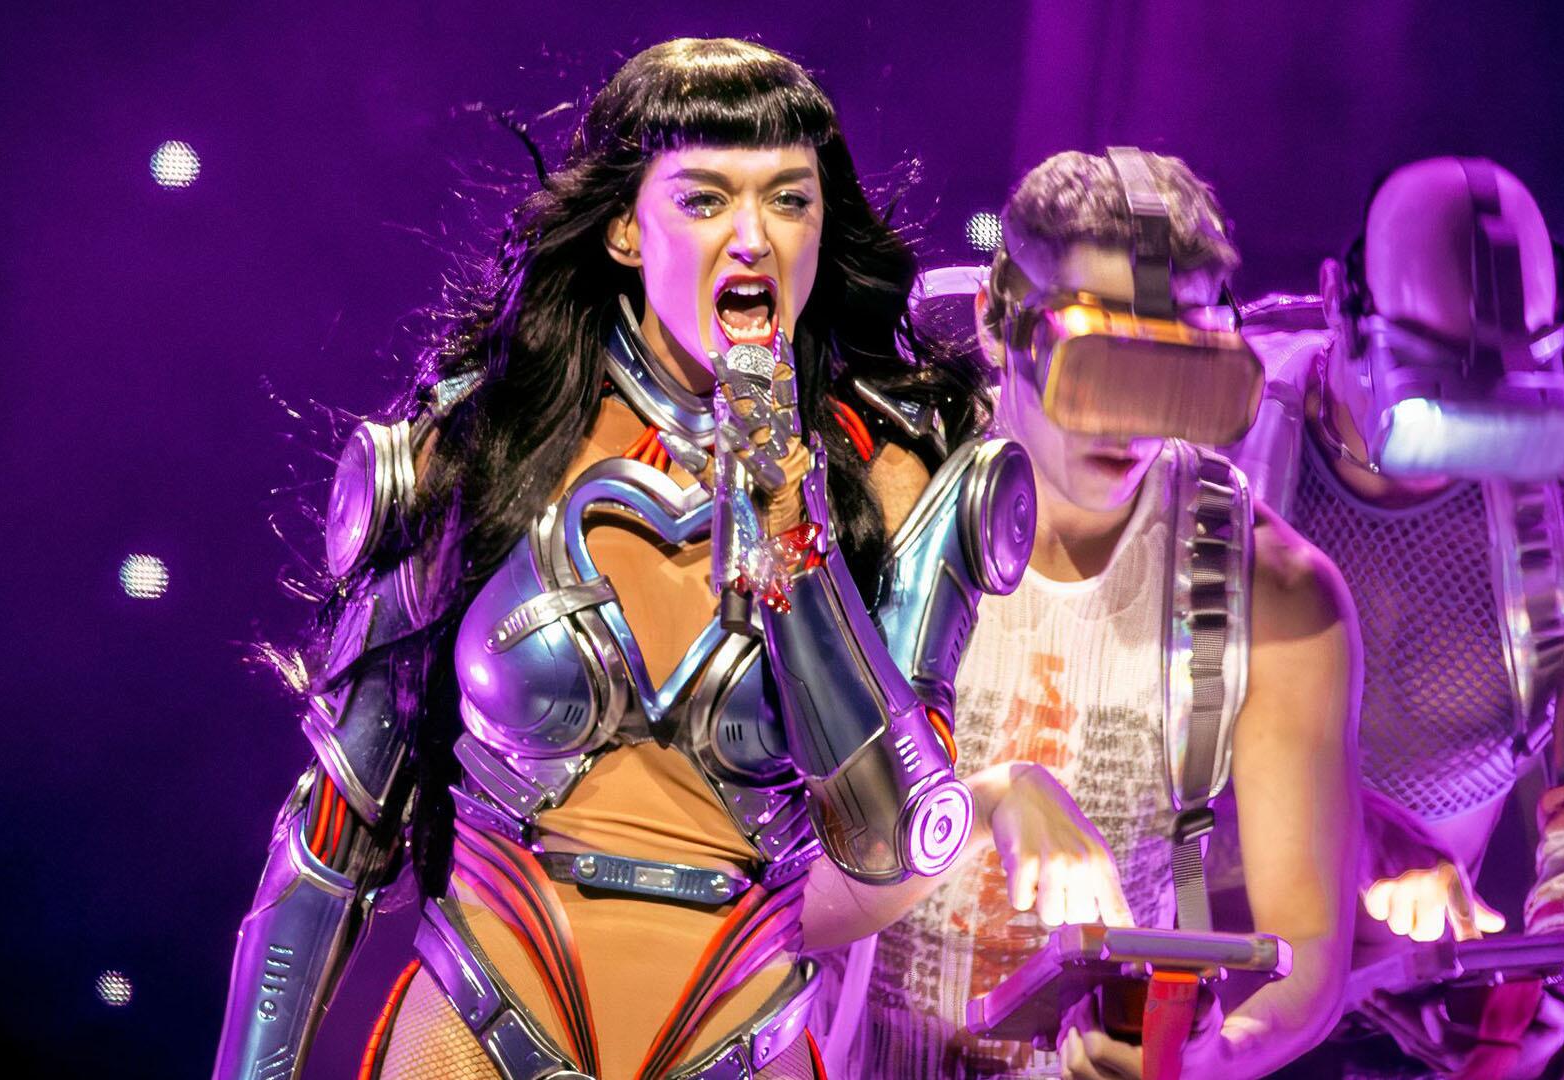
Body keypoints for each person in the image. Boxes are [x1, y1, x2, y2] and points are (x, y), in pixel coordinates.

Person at [212, 38, 1039, 1080]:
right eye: (705, 200)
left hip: (740, 1037)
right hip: (478, 1026)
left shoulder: (890, 477)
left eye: (790, 200)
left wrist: (793, 533)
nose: (754, 238)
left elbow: (894, 838)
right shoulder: (482, 447)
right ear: (624, 229)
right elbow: (335, 838)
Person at [843, 150, 1363, 1079]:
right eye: (1097, 366)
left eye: (1167, 374)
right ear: (997, 321)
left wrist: (1197, 1061)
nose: (1128, 422)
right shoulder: (881, 513)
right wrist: (989, 799)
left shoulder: (1273, 589)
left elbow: (1309, 951)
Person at [1235, 157, 1564, 1077]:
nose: (1459, 429)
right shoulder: (1209, 437)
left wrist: (1560, 1016)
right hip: (1178, 973)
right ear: (1340, 305)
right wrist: (1344, 824)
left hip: (1397, 1023)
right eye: (1430, 381)